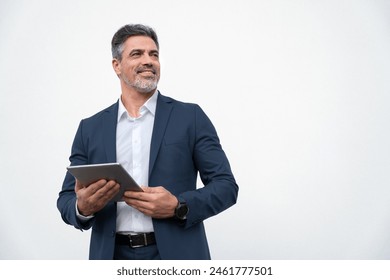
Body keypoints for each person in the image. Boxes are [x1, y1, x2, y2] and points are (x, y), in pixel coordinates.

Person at [57, 24, 238, 260]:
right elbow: (66, 199)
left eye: (154, 54)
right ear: (116, 66)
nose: (149, 61)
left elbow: (226, 186)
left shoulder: (190, 117)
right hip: (111, 257)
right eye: (137, 54)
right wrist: (82, 209)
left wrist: (178, 205)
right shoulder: (90, 128)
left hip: (176, 257)